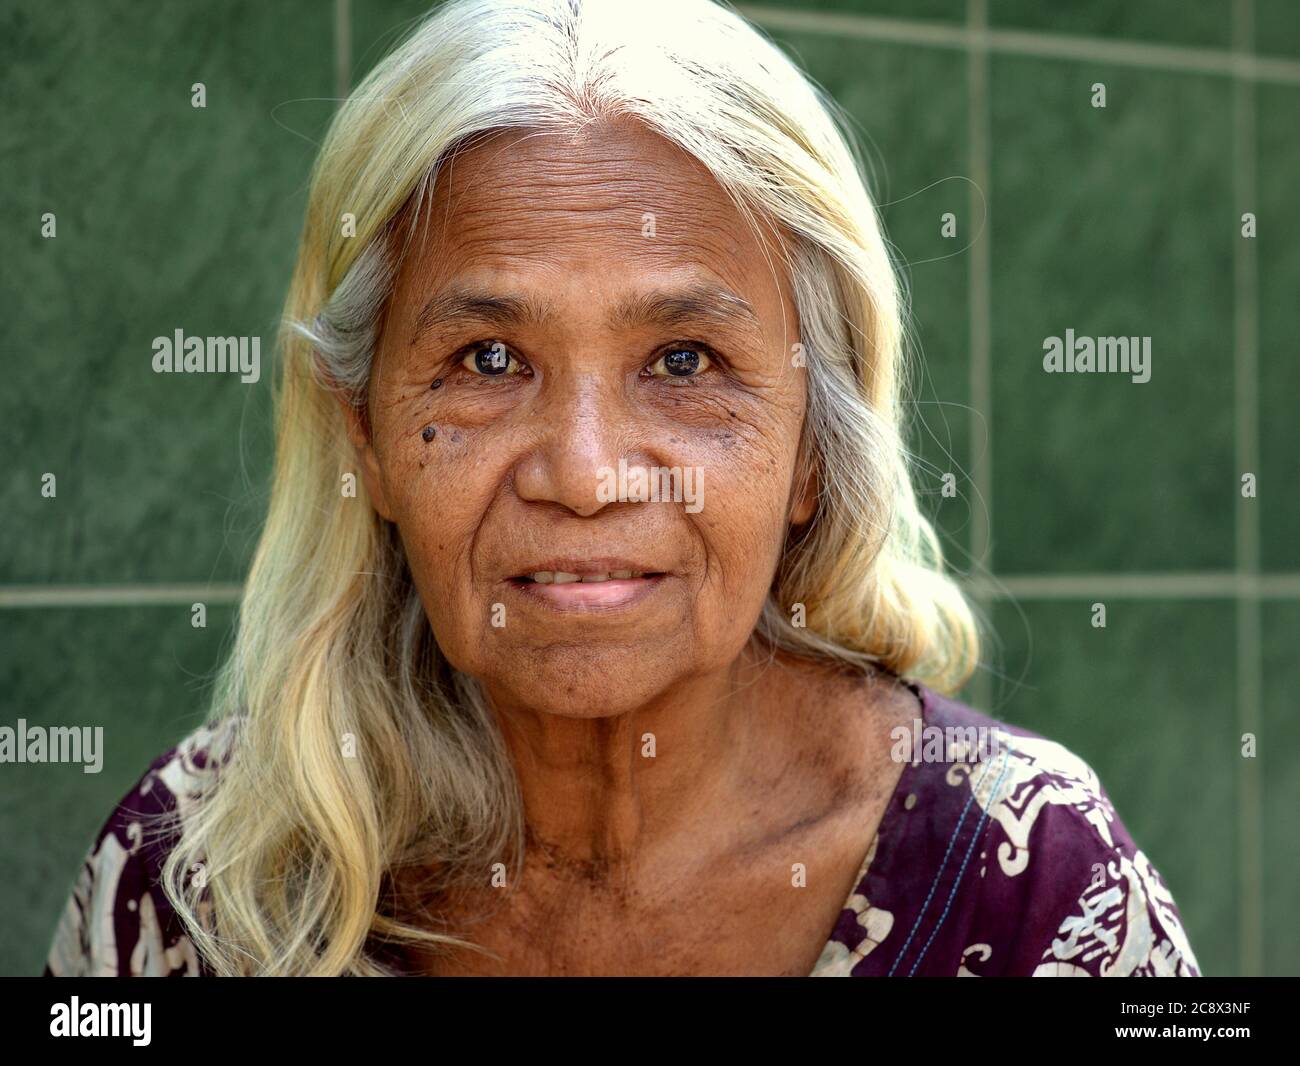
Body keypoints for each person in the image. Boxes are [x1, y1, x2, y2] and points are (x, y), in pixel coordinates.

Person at [45, 0, 1199, 977]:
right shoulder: (196, 880)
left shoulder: (1038, 884)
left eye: (684, 362)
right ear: (366, 437)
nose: (588, 475)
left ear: (811, 445)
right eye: (487, 361)